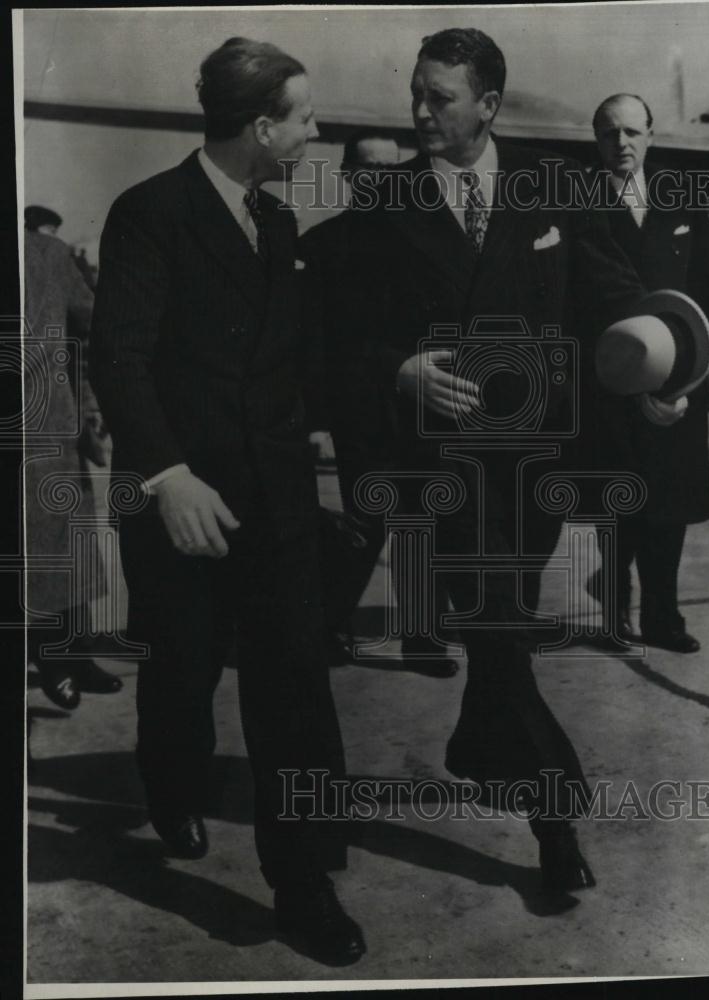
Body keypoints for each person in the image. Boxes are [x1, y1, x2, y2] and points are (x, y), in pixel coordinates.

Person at [340, 27, 650, 892]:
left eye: (438, 97)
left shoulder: (551, 189)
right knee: (502, 631)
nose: (419, 111)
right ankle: (555, 825)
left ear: (487, 103)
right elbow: (338, 333)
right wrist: (398, 371)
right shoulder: (382, 202)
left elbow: (608, 291)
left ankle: (478, 743)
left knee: (495, 632)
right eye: (415, 92)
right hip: (443, 470)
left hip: (538, 464)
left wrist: (660, 357)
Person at [90, 37, 364, 965]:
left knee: (292, 688)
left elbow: (295, 365)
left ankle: (301, 884)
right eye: (304, 115)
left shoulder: (279, 225)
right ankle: (171, 791)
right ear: (261, 127)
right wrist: (166, 477)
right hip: (183, 503)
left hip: (275, 504)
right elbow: (118, 358)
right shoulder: (151, 213)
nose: (315, 130)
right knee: (184, 670)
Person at [301, 130, 460, 677]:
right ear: (348, 174)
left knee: (425, 524)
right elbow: (315, 344)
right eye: (369, 169)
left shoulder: (426, 240)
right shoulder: (321, 246)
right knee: (364, 527)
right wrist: (318, 422)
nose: (382, 179)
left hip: (421, 412)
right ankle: (323, 628)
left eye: (393, 168)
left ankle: (423, 641)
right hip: (359, 413)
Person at [588, 93, 709, 652]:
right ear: (596, 139)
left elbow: (708, 282)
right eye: (609, 134)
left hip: (680, 375)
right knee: (619, 507)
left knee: (668, 507)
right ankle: (614, 614)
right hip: (615, 374)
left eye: (631, 132)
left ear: (650, 135)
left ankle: (663, 617)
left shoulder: (681, 196)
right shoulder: (582, 202)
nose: (621, 143)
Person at [24, 228, 122, 710]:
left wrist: (87, 403)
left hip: (46, 430)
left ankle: (72, 657)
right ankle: (51, 658)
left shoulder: (45, 253)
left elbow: (90, 329)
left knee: (64, 551)